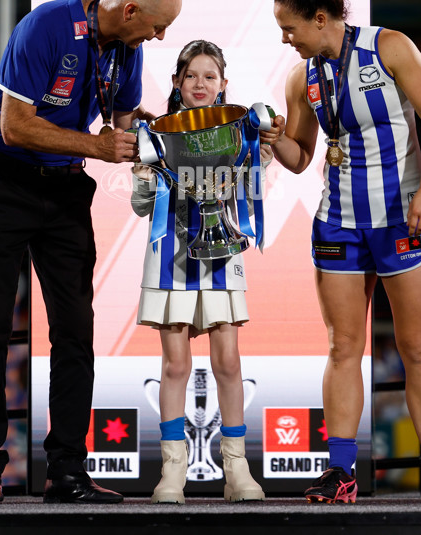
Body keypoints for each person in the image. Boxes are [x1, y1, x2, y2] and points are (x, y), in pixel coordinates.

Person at [0, 0, 182, 504]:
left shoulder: (128, 53)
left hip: (63, 190)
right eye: (156, 27)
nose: (159, 38)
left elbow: (126, 123)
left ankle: (66, 472)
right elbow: (16, 125)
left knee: (75, 330)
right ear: (130, 11)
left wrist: (178, 134)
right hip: (3, 179)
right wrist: (98, 147)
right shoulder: (46, 27)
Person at [261, 0, 421, 504]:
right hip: (340, 222)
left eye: (289, 27)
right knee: (342, 346)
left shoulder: (388, 47)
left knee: (417, 348)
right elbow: (302, 157)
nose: (287, 39)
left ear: (320, 19)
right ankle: (341, 471)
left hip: (404, 215)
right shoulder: (303, 78)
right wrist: (272, 138)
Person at [131, 40, 270, 504]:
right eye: (191, 75)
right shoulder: (155, 135)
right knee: (175, 365)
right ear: (176, 82)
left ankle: (236, 469)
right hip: (170, 255)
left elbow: (252, 188)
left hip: (221, 253)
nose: (200, 84)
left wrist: (259, 150)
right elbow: (139, 206)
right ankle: (173, 472)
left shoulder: (237, 132)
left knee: (228, 361)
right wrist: (148, 178)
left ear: (223, 85)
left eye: (210, 77)